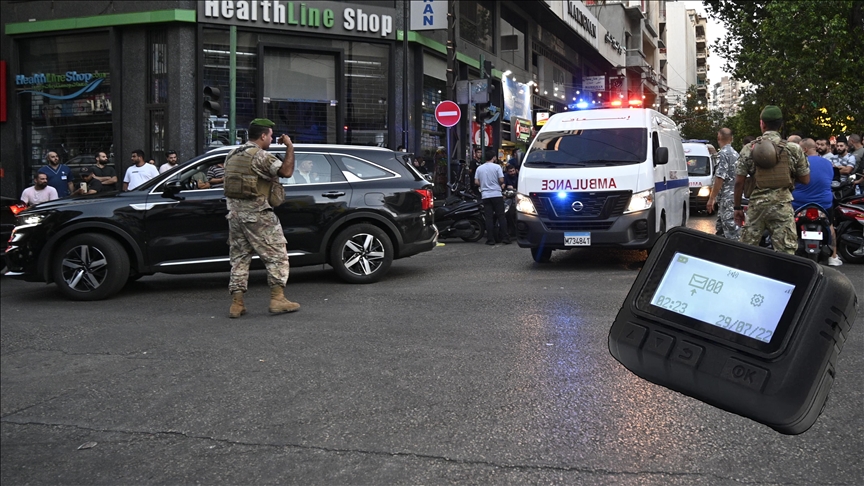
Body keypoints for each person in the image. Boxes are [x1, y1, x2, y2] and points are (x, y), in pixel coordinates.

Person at [224, 118, 300, 318]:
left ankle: (237, 304)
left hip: (235, 216)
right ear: (263, 135)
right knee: (277, 254)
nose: (272, 139)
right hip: (258, 215)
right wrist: (290, 147)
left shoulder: (232, 154)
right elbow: (286, 171)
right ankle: (277, 299)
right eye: (271, 136)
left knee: (239, 258)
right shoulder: (260, 156)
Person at [733, 105, 810, 255]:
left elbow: (739, 182)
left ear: (762, 124)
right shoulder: (793, 149)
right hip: (782, 207)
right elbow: (806, 179)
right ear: (780, 124)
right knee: (786, 253)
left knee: (747, 251)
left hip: (756, 207)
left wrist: (737, 208)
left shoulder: (749, 148)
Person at [792, 138, 841, 266]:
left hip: (798, 203)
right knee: (830, 225)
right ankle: (833, 256)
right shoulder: (828, 163)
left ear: (804, 149)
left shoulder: (798, 163)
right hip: (824, 203)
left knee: (788, 224)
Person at [706, 128, 740, 240]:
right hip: (734, 197)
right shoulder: (736, 154)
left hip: (726, 199)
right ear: (732, 139)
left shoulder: (722, 154)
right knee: (721, 231)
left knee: (731, 234)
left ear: (719, 138)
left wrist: (712, 198)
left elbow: (720, 177)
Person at [474, 147, 510, 246]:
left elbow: (476, 181)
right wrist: (498, 183)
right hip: (496, 194)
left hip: (485, 195)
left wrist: (483, 184)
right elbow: (501, 180)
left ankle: (490, 239)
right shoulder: (497, 167)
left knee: (488, 218)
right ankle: (505, 237)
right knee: (501, 216)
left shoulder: (479, 168)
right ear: (493, 157)